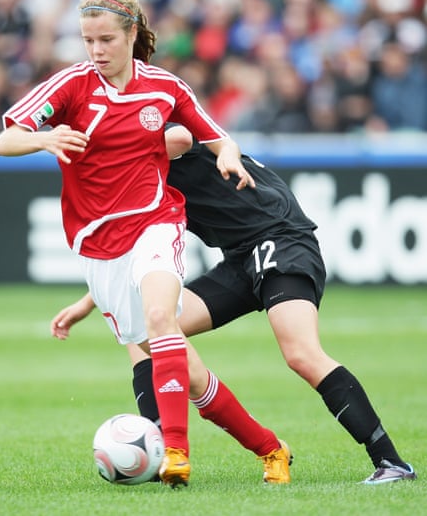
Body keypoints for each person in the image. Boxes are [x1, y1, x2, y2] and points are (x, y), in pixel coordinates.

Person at [0, 0, 294, 489]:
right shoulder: (70, 85)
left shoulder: (164, 88)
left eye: (106, 39)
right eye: (88, 39)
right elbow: (5, 140)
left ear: (133, 33)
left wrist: (225, 154)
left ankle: (174, 450)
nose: (96, 50)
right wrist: (44, 138)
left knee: (162, 318)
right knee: (189, 373)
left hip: (157, 223)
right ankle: (271, 447)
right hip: (97, 246)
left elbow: (215, 134)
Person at [52, 124, 417, 486]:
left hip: (280, 237)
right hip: (240, 258)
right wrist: (89, 302)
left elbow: (180, 138)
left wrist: (112, 148)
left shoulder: (141, 127)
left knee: (301, 354)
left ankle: (391, 461)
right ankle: (159, 446)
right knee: (146, 331)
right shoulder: (125, 182)